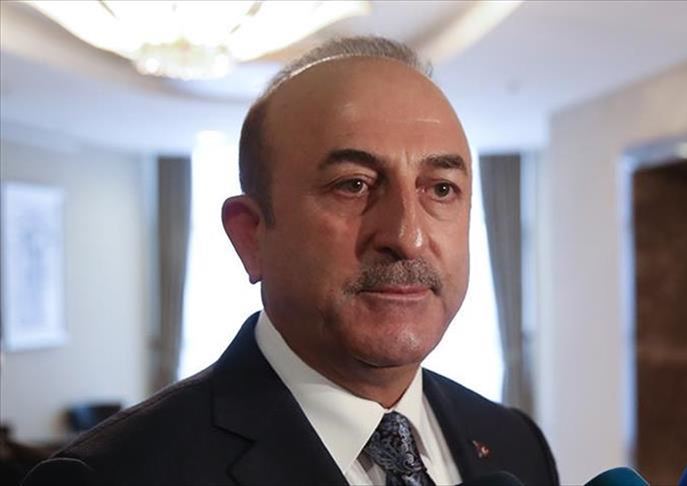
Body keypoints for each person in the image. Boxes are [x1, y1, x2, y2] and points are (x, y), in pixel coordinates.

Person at [24, 36, 559, 486]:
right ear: (251, 235)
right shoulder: (112, 475)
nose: (407, 237)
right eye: (353, 185)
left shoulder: (516, 442)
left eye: (440, 188)